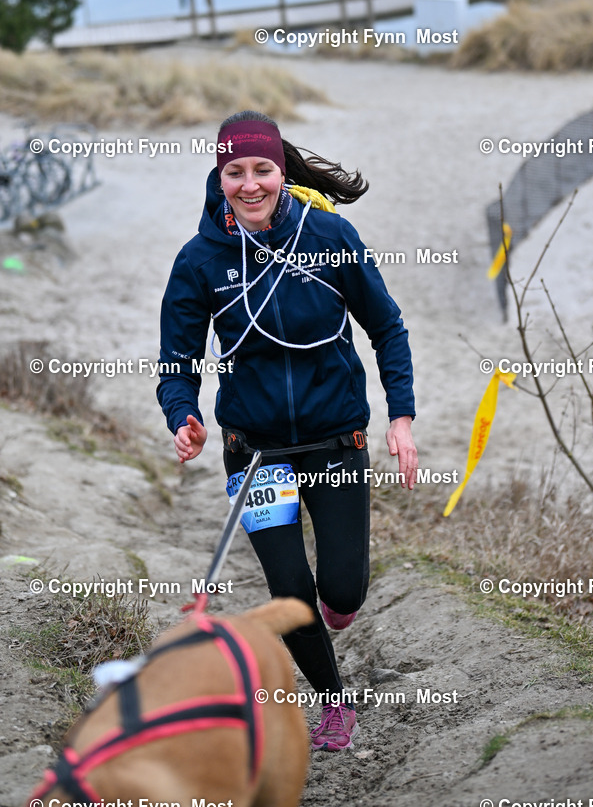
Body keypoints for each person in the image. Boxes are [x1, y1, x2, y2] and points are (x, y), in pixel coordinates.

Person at [157, 110, 418, 751]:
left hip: (336, 441)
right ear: (219, 177)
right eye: (234, 172)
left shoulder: (329, 235)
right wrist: (182, 416)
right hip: (255, 449)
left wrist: (401, 416)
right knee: (290, 591)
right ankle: (334, 703)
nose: (250, 184)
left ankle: (341, 604)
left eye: (262, 170)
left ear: (281, 172)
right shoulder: (198, 261)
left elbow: (386, 327)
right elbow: (176, 359)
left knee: (341, 590)